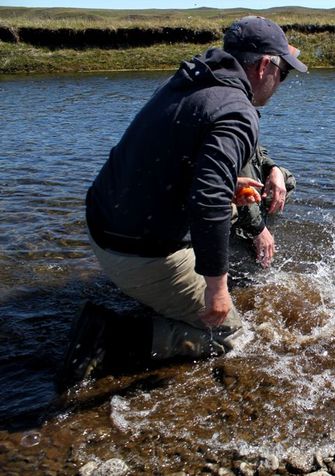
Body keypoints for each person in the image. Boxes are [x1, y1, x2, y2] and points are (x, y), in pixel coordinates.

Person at [55, 16, 307, 392]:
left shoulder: (193, 78)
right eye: (284, 73)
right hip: (137, 252)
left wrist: (238, 178)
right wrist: (216, 288)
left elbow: (176, 155)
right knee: (233, 338)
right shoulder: (237, 110)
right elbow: (207, 203)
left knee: (224, 208)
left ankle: (161, 297)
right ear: (265, 65)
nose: (281, 83)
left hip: (103, 226)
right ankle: (110, 337)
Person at [231, 144, 296, 269]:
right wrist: (258, 229)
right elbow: (242, 188)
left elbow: (258, 152)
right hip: (228, 193)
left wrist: (273, 168)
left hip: (246, 188)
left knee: (286, 179)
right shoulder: (229, 133)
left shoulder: (246, 128)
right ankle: (248, 235)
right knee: (250, 272)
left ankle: (259, 228)